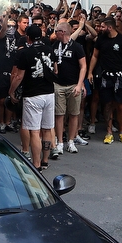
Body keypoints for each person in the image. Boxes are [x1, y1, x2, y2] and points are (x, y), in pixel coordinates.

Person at [9, 25, 57, 170]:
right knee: (47, 129)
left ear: (27, 38)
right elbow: (55, 70)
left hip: (33, 95)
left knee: (35, 131)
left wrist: (11, 91)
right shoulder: (50, 50)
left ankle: (36, 163)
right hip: (49, 93)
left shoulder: (25, 53)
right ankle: (45, 160)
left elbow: (19, 76)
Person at [87, 17, 122, 145]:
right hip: (105, 76)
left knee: (120, 105)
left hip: (120, 76)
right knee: (107, 104)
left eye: (103, 27)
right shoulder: (101, 40)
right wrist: (90, 72)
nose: (100, 29)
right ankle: (109, 132)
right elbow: (95, 56)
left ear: (110, 27)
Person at [51, 21, 87, 156]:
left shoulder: (77, 47)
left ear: (63, 32)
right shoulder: (55, 45)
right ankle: (60, 142)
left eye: (57, 31)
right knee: (59, 114)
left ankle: (71, 141)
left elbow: (83, 66)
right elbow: (53, 61)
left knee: (74, 114)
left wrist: (80, 84)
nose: (55, 34)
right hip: (58, 85)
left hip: (73, 85)